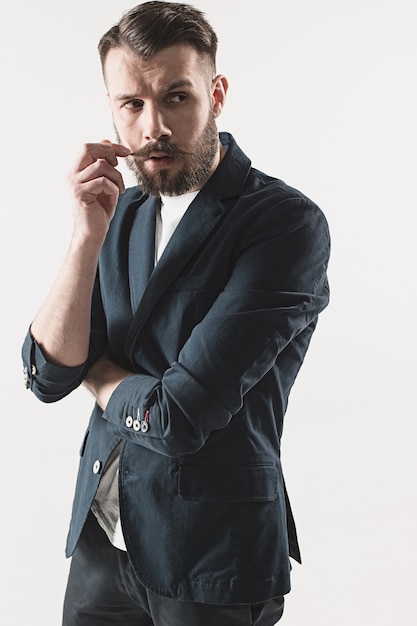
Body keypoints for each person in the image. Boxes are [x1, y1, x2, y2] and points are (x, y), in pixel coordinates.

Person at [21, 2, 330, 624]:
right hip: (102, 545)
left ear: (216, 93)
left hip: (210, 555)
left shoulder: (283, 224)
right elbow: (47, 374)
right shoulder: (121, 214)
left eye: (177, 97)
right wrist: (84, 238)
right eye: (131, 104)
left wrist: (100, 374)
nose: (153, 127)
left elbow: (178, 417)